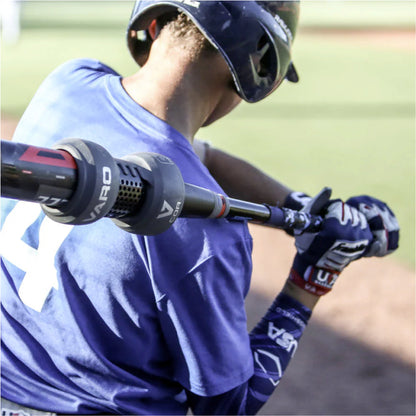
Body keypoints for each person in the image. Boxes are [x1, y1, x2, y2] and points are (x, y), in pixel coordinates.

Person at [0, 1, 399, 414]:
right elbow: (230, 406)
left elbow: (191, 156)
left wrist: (297, 209)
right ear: (258, 65)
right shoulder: (208, 236)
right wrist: (311, 280)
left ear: (154, 22)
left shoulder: (70, 83)